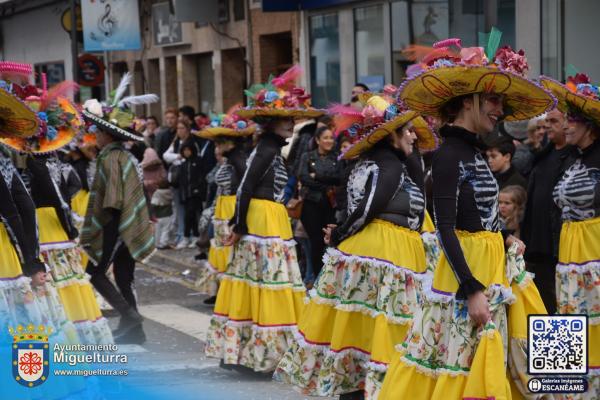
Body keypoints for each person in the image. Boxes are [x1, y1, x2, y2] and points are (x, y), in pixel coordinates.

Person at [379, 39, 555, 399]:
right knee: (465, 368)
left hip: (493, 268)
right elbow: (444, 226)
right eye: (492, 100)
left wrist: (505, 237)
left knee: (527, 356)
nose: (499, 109)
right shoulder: (450, 156)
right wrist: (471, 288)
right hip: (469, 276)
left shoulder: (471, 151)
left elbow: (479, 215)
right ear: (466, 101)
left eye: (500, 102)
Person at [275, 96, 436, 399]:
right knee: (380, 327)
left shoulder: (388, 161)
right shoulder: (386, 164)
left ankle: (359, 390)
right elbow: (367, 208)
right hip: (381, 252)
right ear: (391, 135)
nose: (414, 135)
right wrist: (341, 235)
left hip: (381, 250)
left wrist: (342, 233)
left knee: (365, 328)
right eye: (408, 131)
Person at [204, 65, 323, 372]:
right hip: (260, 222)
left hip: (268, 219)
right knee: (262, 285)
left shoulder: (269, 148)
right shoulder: (266, 148)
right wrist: (240, 225)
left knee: (259, 285)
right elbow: (244, 188)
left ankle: (248, 355)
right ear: (270, 122)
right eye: (286, 119)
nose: (291, 124)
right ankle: (254, 356)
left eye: (292, 120)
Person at [80, 77, 158, 344]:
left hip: (117, 224)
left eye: (97, 133)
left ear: (107, 134)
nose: (95, 136)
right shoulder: (125, 156)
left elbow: (112, 200)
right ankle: (136, 332)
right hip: (131, 222)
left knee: (94, 272)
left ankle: (129, 316)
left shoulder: (112, 157)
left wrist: (104, 229)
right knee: (125, 275)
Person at [541, 73, 600, 399]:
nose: (566, 126)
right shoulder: (572, 160)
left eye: (573, 121)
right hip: (567, 255)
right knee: (568, 319)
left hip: (593, 252)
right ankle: (562, 392)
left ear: (589, 126)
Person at [192, 109, 254, 302]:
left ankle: (228, 294)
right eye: (216, 143)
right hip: (222, 207)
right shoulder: (231, 160)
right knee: (220, 249)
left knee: (228, 250)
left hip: (230, 207)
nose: (216, 147)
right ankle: (221, 292)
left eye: (219, 142)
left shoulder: (239, 160)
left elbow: (244, 186)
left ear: (230, 142)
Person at [520, 108, 574, 315]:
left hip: (561, 243)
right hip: (537, 243)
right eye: (546, 121)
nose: (548, 126)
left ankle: (568, 347)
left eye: (554, 121)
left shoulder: (577, 157)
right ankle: (548, 347)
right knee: (543, 305)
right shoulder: (544, 153)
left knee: (564, 302)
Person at [298, 126, 340, 279]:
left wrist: (318, 176)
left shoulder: (336, 158)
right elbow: (303, 177)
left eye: (331, 138)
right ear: (317, 140)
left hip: (330, 205)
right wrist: (325, 184)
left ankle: (331, 277)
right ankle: (317, 278)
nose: (329, 141)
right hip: (311, 205)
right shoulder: (307, 157)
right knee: (315, 242)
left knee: (331, 241)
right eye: (326, 138)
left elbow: (339, 178)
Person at [177, 139, 205, 249]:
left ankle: (191, 236)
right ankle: (189, 237)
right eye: (185, 150)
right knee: (189, 216)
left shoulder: (198, 161)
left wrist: (198, 189)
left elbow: (201, 176)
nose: (187, 152)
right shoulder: (183, 164)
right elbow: (182, 181)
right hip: (187, 194)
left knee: (192, 214)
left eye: (188, 150)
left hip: (196, 194)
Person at [151, 179, 173, 250]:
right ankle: (164, 243)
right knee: (166, 230)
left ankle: (157, 244)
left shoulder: (157, 193)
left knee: (158, 230)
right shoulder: (170, 192)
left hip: (159, 214)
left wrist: (151, 213)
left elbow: (154, 204)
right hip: (168, 214)